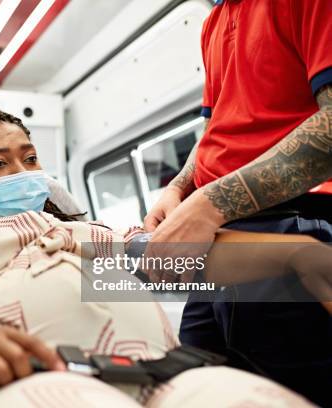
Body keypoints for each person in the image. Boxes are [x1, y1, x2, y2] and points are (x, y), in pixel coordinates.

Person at [0, 105, 323, 407]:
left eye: (30, 158)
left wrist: (293, 256)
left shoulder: (88, 232)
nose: (22, 173)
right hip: (28, 378)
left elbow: (186, 260)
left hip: (161, 376)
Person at [143, 0, 331, 404]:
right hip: (222, 240)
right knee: (197, 390)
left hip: (290, 224)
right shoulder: (213, 20)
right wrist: (179, 188)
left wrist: (209, 204)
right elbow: (217, 130)